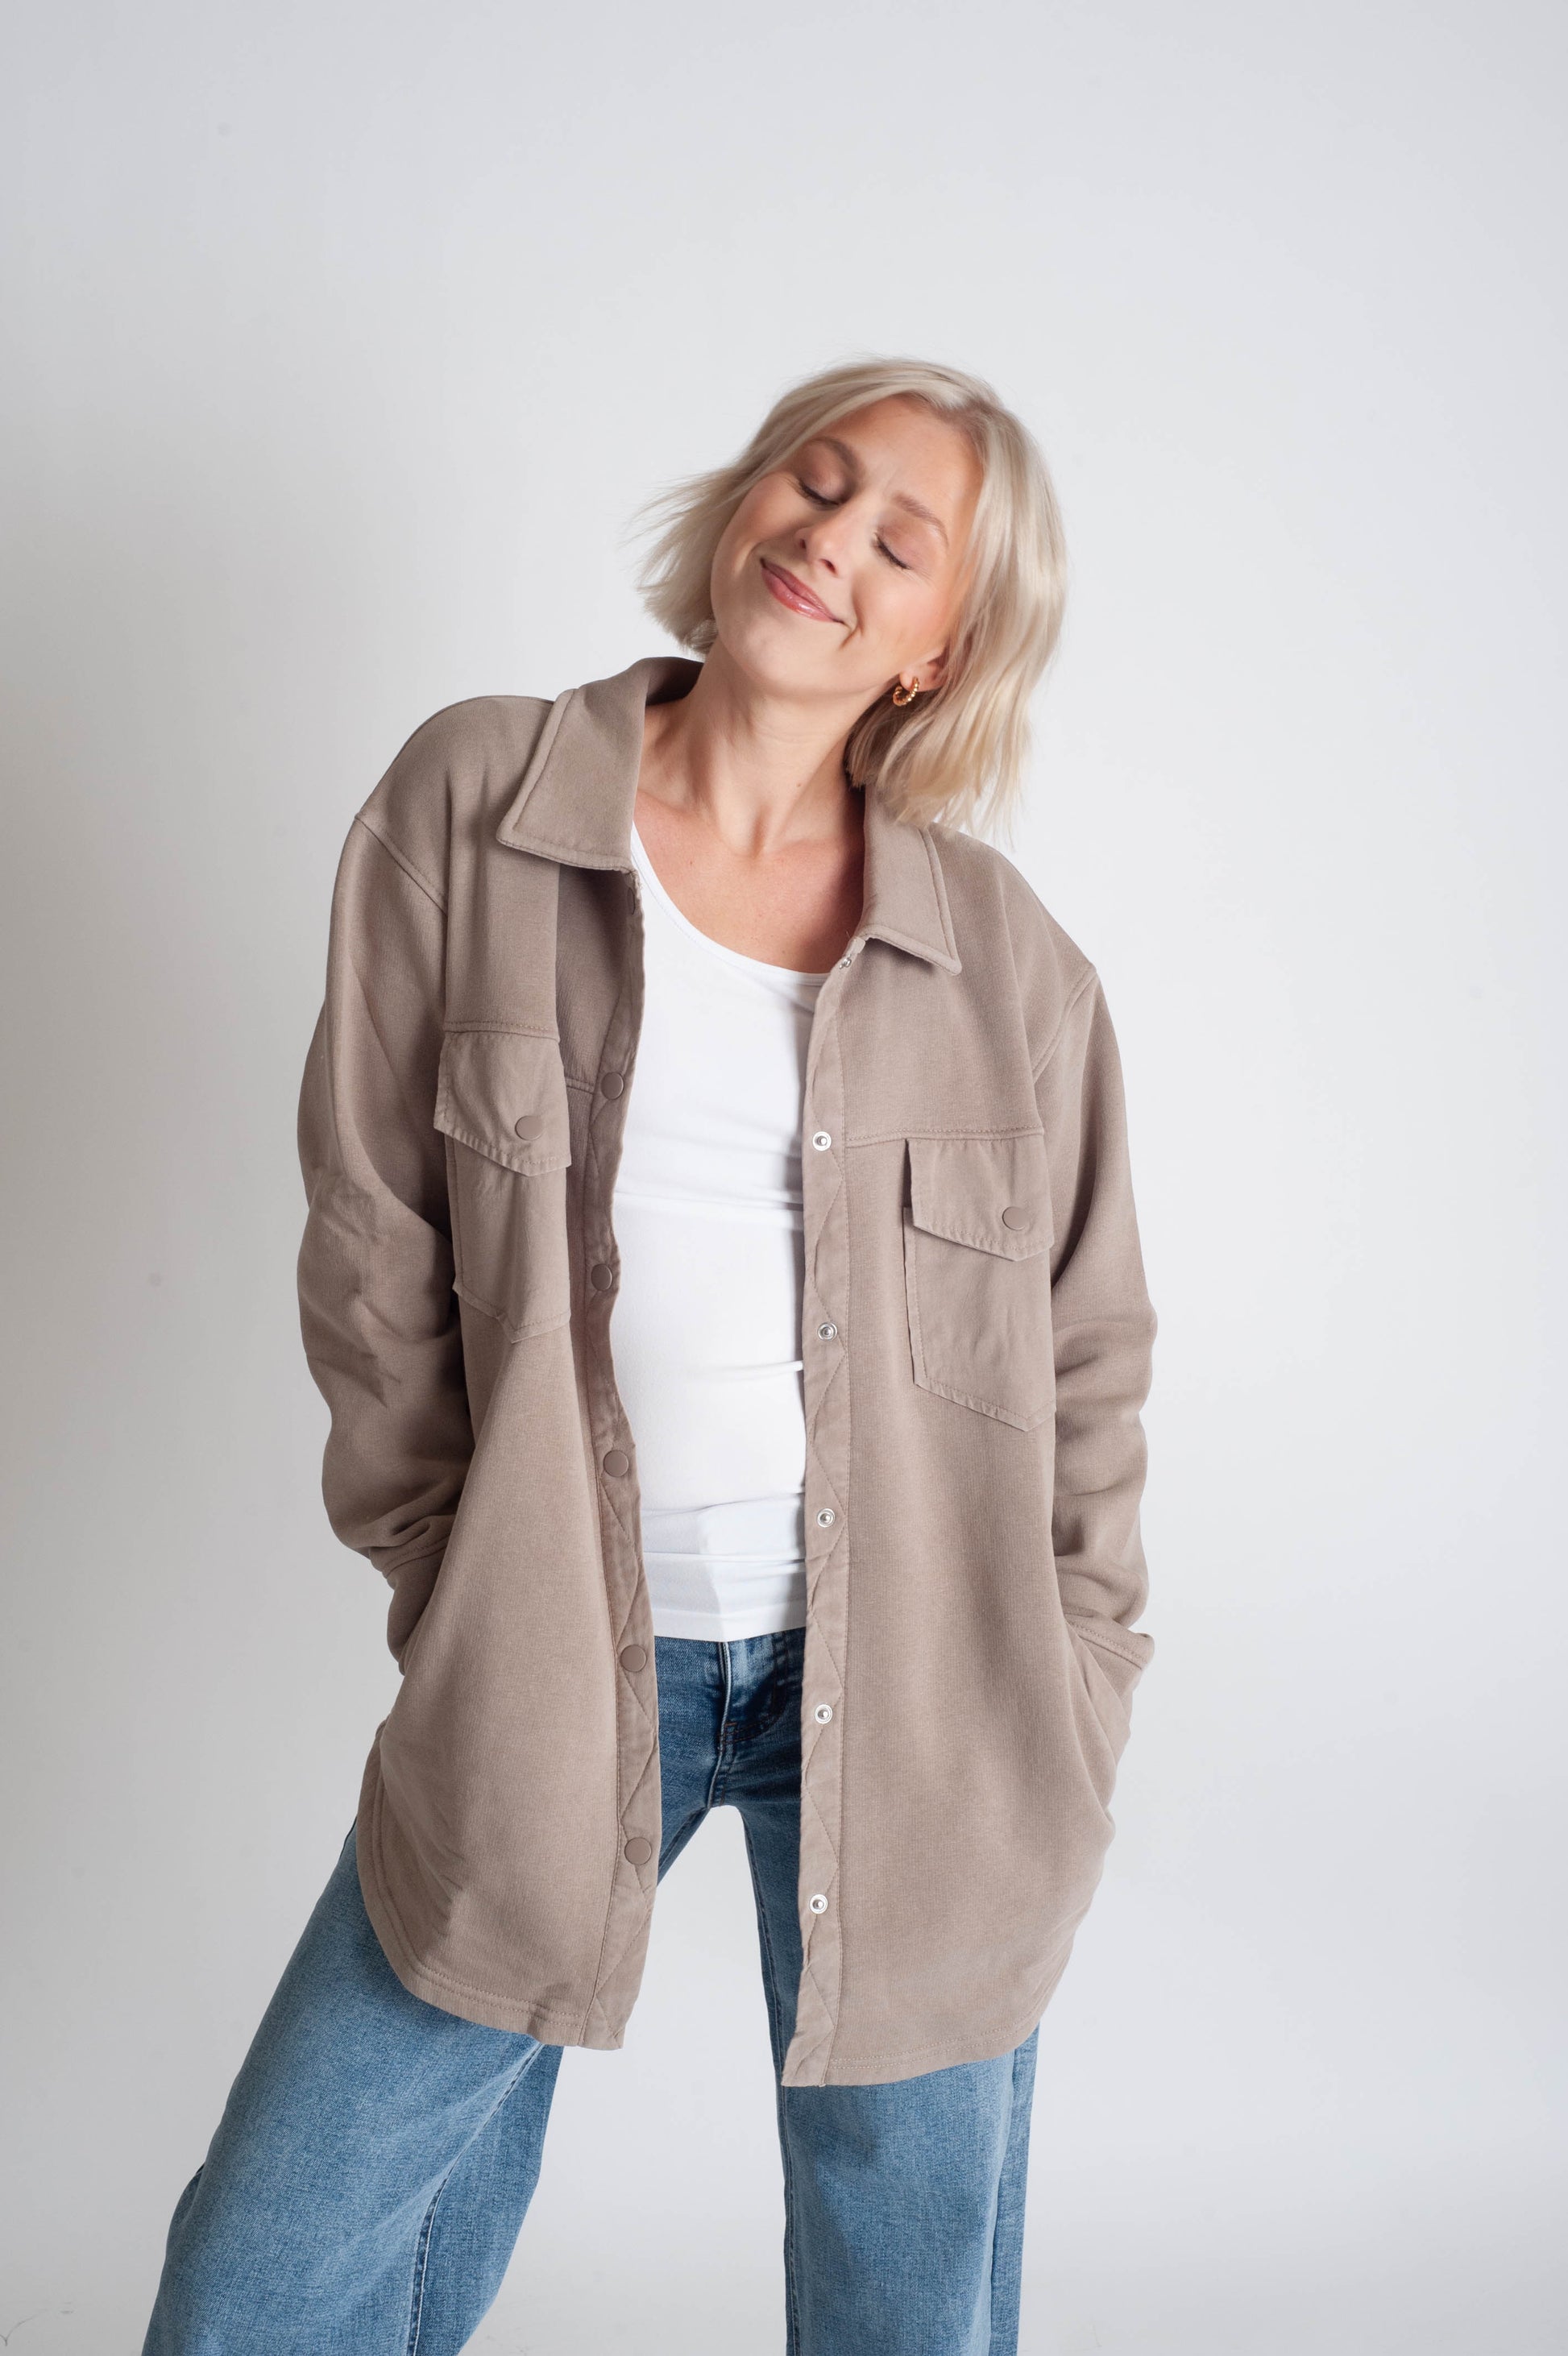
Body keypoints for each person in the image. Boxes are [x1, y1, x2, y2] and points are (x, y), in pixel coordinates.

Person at [142, 356, 1157, 2356]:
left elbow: (1088, 1354)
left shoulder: (1009, 965)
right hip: (547, 1654)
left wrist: (1081, 1687)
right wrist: (448, 1575)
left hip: (935, 1695)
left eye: (899, 538)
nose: (827, 542)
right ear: (743, 501)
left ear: (941, 640)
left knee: (907, 2303)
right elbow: (371, 1231)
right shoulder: (479, 799)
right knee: (266, 2274)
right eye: (815, 477)